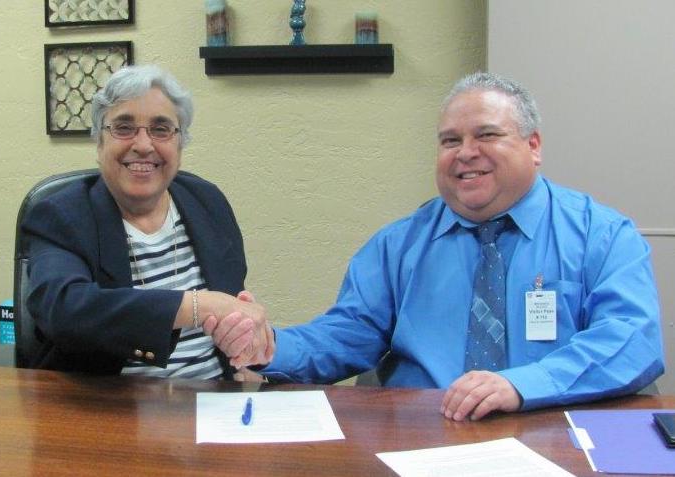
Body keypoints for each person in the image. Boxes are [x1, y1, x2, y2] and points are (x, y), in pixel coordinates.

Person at [208, 71, 664, 420]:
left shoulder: (601, 235)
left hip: (552, 426)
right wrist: (271, 348)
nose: (466, 152)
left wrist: (522, 386)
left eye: (486, 135)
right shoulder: (399, 244)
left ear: (534, 145)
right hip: (421, 432)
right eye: (451, 140)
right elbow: (348, 334)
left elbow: (631, 339)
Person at [23, 65, 273, 377]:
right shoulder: (62, 214)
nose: (143, 145)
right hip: (109, 411)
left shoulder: (208, 202)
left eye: (161, 129)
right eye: (124, 128)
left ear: (179, 145)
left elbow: (231, 307)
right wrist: (197, 306)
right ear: (99, 143)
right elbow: (63, 310)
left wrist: (247, 336)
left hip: (213, 405)